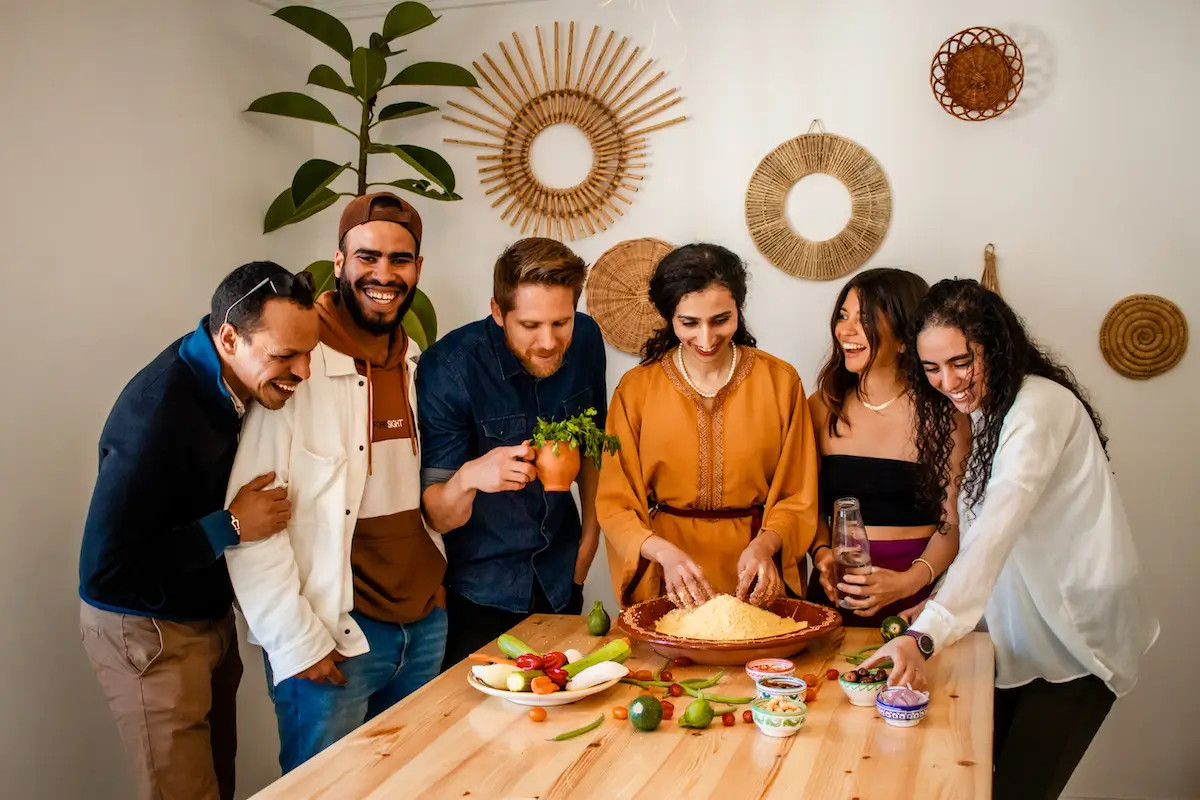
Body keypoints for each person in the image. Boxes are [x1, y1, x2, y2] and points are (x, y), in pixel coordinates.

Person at [861, 279, 1160, 800]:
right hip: (1020, 631)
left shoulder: (1038, 407)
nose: (948, 381)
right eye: (931, 368)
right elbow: (981, 537)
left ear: (993, 345)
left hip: (1078, 634)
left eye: (960, 362)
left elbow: (999, 524)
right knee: (972, 780)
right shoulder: (987, 411)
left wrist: (928, 631)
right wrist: (933, 607)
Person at [223, 193, 448, 773]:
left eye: (401, 260)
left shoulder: (416, 358)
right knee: (322, 789)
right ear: (339, 261)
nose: (384, 274)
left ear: (418, 268)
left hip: (421, 628)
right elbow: (251, 518)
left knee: (409, 784)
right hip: (335, 637)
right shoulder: (298, 364)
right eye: (367, 257)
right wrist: (295, 641)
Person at [78, 261, 318, 800]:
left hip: (204, 619)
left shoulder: (233, 378)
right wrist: (231, 525)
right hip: (146, 630)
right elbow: (108, 569)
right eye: (285, 355)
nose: (303, 371)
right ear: (229, 337)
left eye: (310, 352)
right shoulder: (157, 413)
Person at [596, 243, 819, 609]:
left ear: (739, 311)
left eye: (720, 320)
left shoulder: (780, 382)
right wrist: (665, 556)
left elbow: (799, 495)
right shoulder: (636, 390)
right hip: (669, 577)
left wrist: (766, 546)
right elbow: (615, 505)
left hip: (757, 572)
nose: (706, 338)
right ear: (670, 317)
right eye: (689, 323)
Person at [418, 238, 606, 670]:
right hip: (478, 594)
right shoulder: (448, 367)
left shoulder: (587, 340)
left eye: (561, 322)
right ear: (498, 311)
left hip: (562, 579)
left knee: (558, 720)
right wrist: (469, 476)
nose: (547, 341)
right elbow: (437, 515)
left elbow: (593, 447)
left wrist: (589, 540)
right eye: (530, 325)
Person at [805, 268, 970, 627]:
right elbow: (808, 506)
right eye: (842, 316)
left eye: (862, 320)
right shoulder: (821, 406)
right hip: (835, 592)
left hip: (917, 596)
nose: (844, 331)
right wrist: (821, 554)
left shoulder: (948, 416)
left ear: (903, 338)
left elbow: (953, 525)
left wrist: (906, 582)